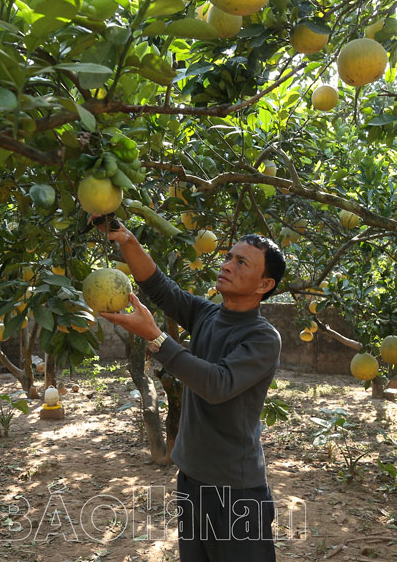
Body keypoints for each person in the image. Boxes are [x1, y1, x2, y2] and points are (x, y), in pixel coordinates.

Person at [97, 221, 285, 562]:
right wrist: (128, 241)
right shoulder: (208, 314)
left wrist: (156, 338)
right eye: (229, 257)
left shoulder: (263, 337)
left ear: (265, 284)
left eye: (242, 262)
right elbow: (159, 287)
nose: (226, 264)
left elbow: (217, 384)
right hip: (192, 479)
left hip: (236, 490)